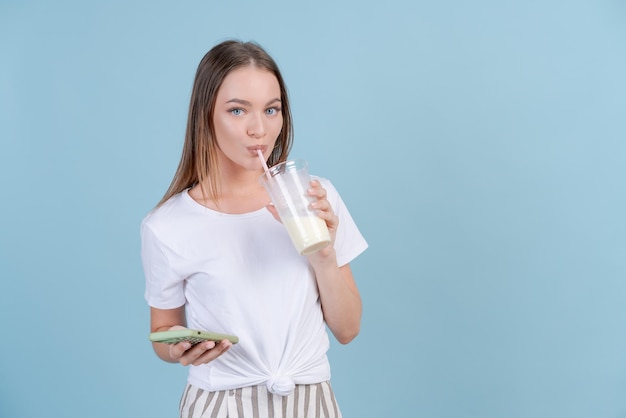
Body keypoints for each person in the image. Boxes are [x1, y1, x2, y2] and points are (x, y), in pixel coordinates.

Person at [140, 40, 368, 418]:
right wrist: (179, 350)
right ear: (205, 115)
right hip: (219, 404)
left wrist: (324, 255)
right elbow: (164, 332)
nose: (259, 129)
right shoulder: (166, 226)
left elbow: (347, 330)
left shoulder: (315, 198)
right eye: (237, 110)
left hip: (311, 401)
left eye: (271, 109)